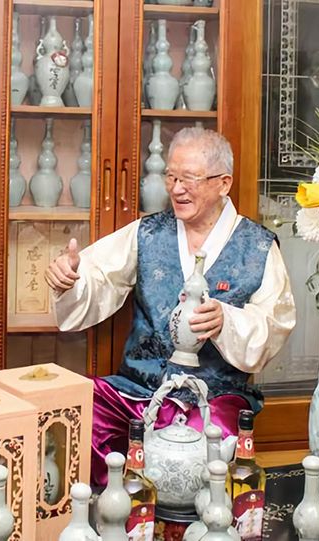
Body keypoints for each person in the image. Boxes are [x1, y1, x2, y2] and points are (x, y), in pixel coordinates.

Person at [46, 128, 296, 486]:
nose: (177, 189)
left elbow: (275, 322)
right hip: (138, 391)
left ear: (223, 183)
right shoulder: (148, 232)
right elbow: (97, 275)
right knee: (78, 409)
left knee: (202, 452)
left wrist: (227, 320)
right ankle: (112, 511)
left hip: (214, 401)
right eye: (172, 176)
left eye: (189, 178)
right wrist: (71, 279)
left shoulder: (256, 246)